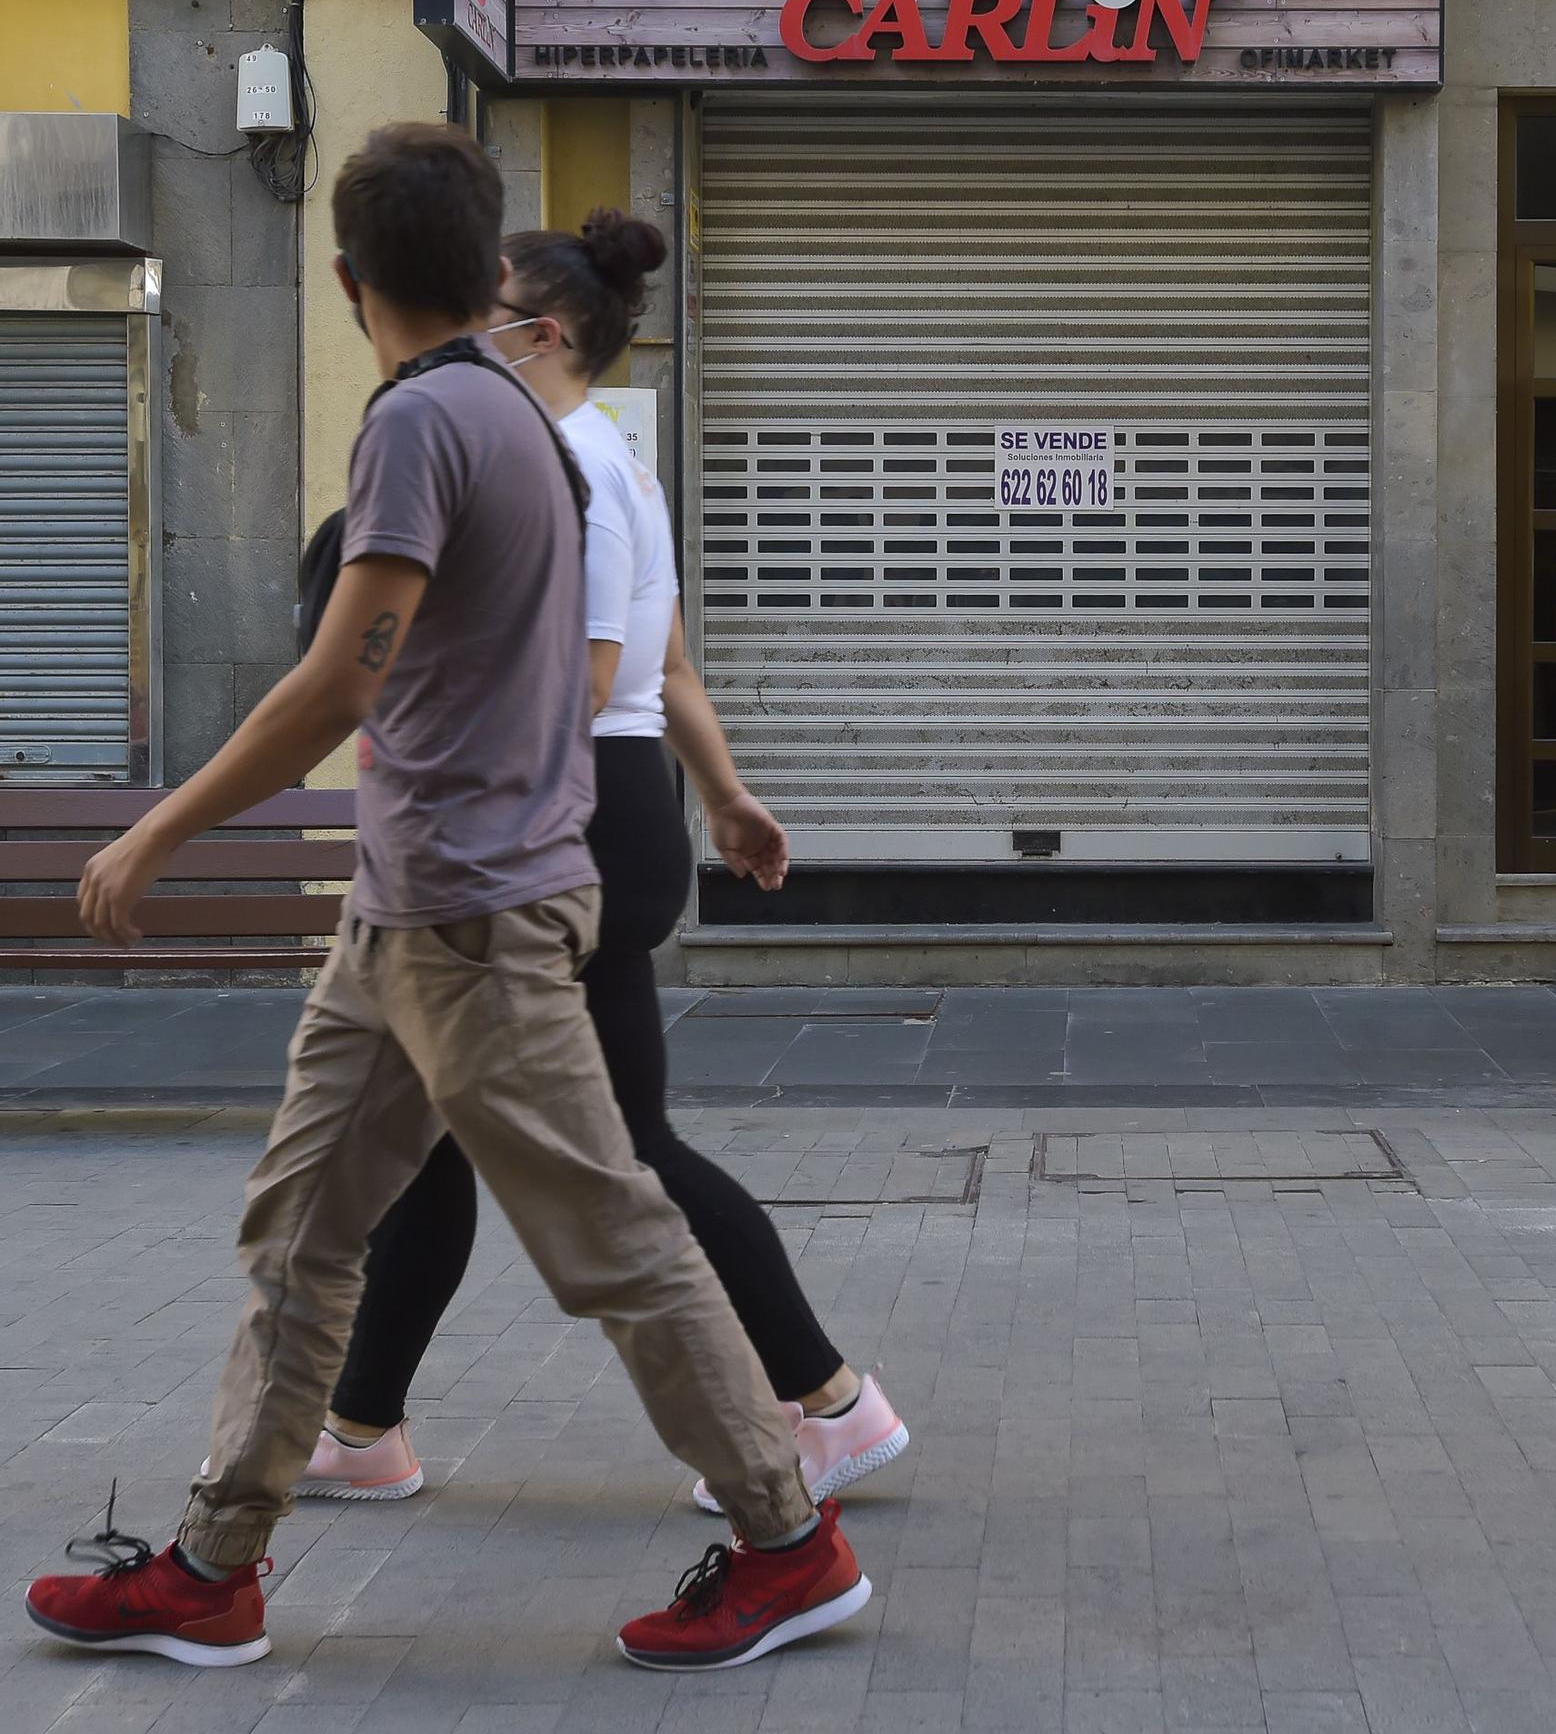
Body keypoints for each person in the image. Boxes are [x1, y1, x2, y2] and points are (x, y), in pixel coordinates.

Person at [24, 123, 870, 1675]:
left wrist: (158, 831)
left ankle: (786, 1539)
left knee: (612, 1235)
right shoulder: (529, 423)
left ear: (345, 281)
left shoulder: (426, 423)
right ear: (487, 273)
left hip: (472, 919)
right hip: (411, 915)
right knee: (300, 1232)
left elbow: (338, 682)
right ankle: (216, 1561)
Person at [300, 210, 909, 1519]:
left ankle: (828, 1403)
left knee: (619, 1151)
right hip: (604, 806)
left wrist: (452, 803)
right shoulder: (609, 457)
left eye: (490, 304)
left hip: (552, 816)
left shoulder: (559, 458)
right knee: (431, 1140)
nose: (465, 322)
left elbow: (563, 686)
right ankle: (360, 1424)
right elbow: (669, 665)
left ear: (543, 332)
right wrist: (729, 798)